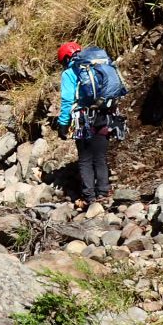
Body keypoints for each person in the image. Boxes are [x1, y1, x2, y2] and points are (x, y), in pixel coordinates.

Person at [55, 41, 112, 207]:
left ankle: (90, 197)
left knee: (85, 159)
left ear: (65, 58)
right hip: (104, 115)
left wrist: (63, 124)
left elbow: (67, 100)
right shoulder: (96, 64)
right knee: (100, 157)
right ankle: (103, 192)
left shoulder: (69, 73)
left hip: (82, 119)